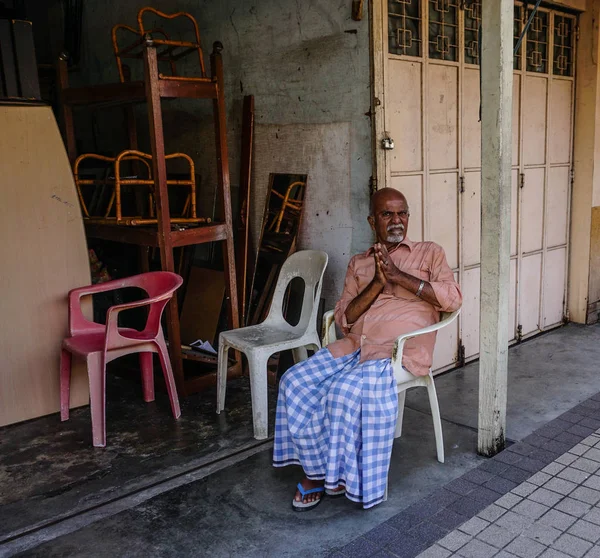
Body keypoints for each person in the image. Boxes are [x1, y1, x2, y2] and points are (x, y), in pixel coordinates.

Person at [273, 188, 462, 511]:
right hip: (356, 345)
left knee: (344, 389)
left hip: (398, 352)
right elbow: (346, 319)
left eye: (402, 213)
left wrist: (399, 276)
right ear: (372, 220)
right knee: (295, 381)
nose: (396, 220)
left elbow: (452, 299)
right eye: (387, 214)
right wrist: (377, 281)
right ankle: (319, 468)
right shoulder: (360, 263)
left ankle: (333, 476)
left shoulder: (429, 253)